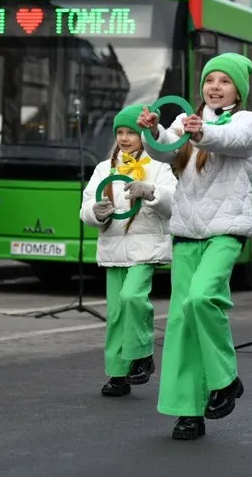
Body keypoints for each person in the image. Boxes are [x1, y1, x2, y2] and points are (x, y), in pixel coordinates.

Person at [137, 52, 252, 441]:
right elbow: (163, 153)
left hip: (226, 230)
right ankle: (187, 412)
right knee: (180, 321)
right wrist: (155, 131)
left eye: (225, 82)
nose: (215, 87)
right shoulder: (184, 121)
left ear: (237, 91)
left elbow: (233, 141)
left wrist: (200, 133)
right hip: (188, 231)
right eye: (211, 80)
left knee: (202, 299)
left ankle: (226, 379)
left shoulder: (247, 121)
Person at [80, 104, 177, 397]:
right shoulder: (103, 169)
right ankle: (118, 374)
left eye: (131, 133)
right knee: (117, 313)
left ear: (144, 135)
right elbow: (85, 207)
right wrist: (95, 212)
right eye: (120, 132)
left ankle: (142, 354)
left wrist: (149, 192)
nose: (124, 138)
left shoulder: (159, 166)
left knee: (132, 297)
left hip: (146, 249)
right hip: (113, 251)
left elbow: (173, 203)